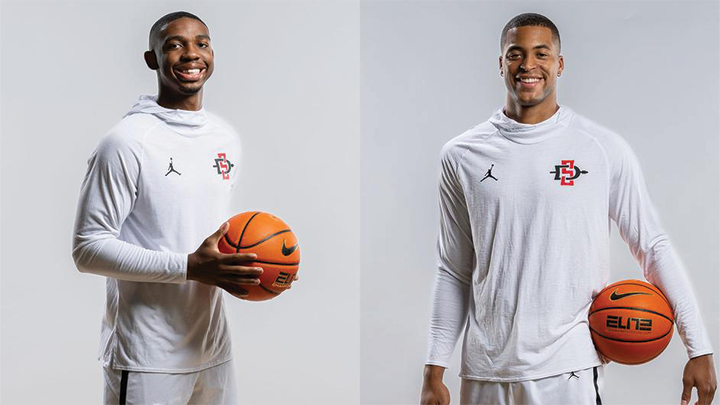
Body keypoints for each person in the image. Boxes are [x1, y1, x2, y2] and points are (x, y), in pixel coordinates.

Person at [420, 13, 717, 405]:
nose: (528, 65)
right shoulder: (461, 155)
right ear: (500, 64)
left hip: (568, 368)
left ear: (559, 64)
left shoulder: (600, 148)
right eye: (515, 54)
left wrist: (698, 347)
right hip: (484, 370)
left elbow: (652, 245)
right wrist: (433, 368)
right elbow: (454, 268)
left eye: (541, 54)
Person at [72, 11, 261, 405]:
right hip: (147, 358)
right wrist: (189, 267)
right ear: (153, 59)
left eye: (202, 43)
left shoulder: (225, 137)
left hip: (213, 350)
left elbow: (203, 234)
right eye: (175, 44)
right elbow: (87, 248)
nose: (192, 54)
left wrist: (260, 272)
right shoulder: (126, 142)